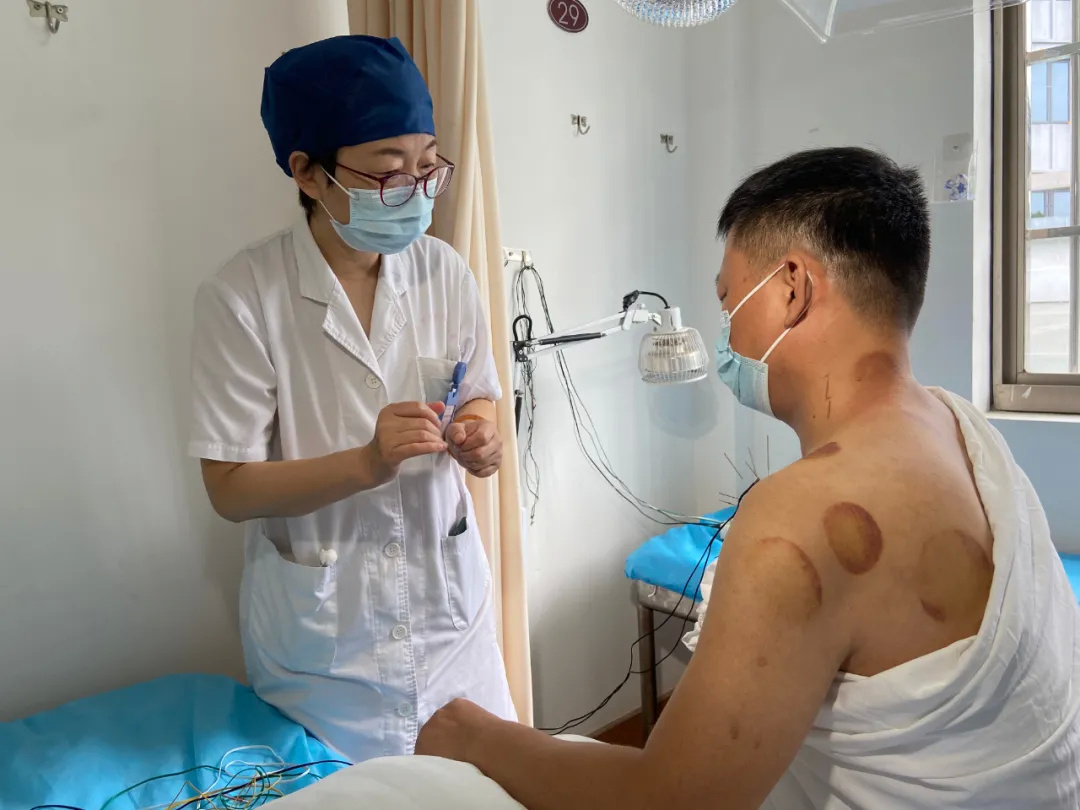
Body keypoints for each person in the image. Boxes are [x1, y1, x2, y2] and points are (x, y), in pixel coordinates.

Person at [415, 147, 1080, 808]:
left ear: (792, 288)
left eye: (729, 301)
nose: (727, 334)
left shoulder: (797, 519)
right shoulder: (962, 426)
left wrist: (473, 734)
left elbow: (667, 801)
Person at [188, 35, 515, 763]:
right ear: (307, 171)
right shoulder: (243, 296)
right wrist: (366, 463)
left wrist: (480, 437)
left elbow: (479, 397)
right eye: (388, 171)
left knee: (490, 790)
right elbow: (229, 489)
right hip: (326, 654)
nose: (416, 191)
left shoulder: (445, 273)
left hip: (449, 621)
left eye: (427, 166)